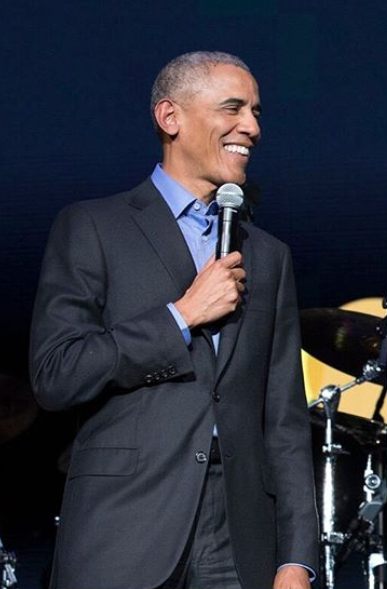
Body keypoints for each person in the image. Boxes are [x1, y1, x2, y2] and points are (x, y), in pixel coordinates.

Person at [28, 51, 318, 589]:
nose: (251, 127)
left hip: (237, 540)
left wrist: (296, 558)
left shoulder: (268, 256)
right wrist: (180, 316)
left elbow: (284, 421)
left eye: (256, 111)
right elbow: (56, 374)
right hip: (123, 532)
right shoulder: (93, 226)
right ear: (170, 118)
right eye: (233, 108)